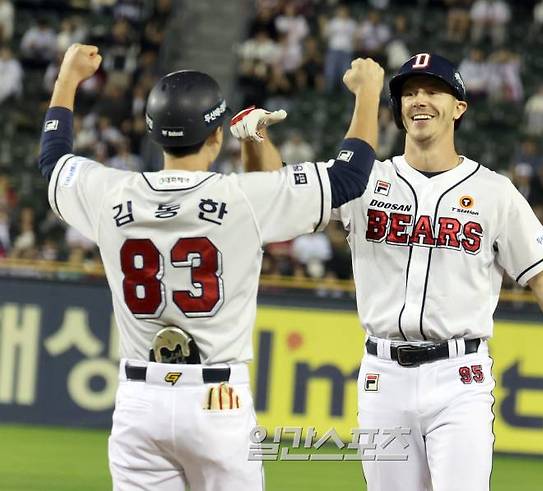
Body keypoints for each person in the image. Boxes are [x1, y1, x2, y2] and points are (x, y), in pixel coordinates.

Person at [243, 52, 543, 491]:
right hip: (382, 375)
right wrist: (255, 140)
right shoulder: (361, 181)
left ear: (459, 107)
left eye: (431, 90)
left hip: (459, 377)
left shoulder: (494, 192)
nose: (418, 100)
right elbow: (277, 199)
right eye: (408, 93)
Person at [38, 43, 384, 491]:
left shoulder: (110, 193)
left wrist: (67, 79)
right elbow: (349, 178)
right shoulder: (241, 198)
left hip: (139, 400)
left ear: (153, 133)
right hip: (217, 399)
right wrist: (368, 93)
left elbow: (53, 160)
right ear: (217, 135)